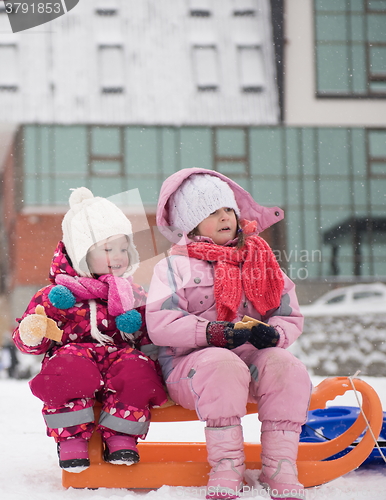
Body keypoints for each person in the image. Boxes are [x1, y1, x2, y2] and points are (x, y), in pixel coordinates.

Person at [146, 169, 311, 500]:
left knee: (286, 366)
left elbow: (288, 314)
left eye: (227, 210)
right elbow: (160, 322)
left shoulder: (260, 258)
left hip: (249, 358)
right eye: (211, 212)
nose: (224, 218)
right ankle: (227, 465)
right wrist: (210, 331)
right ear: (192, 225)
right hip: (190, 368)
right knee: (222, 364)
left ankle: (280, 465)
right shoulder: (172, 267)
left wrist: (273, 335)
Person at [13, 187, 167, 473]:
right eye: (108, 249)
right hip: (74, 356)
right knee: (68, 369)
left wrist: (148, 343)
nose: (119, 256)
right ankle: (71, 438)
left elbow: (148, 335)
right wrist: (31, 332)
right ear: (81, 252)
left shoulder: (131, 293)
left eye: (124, 248)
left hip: (118, 357)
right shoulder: (55, 295)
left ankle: (122, 435)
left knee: (138, 370)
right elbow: (30, 343)